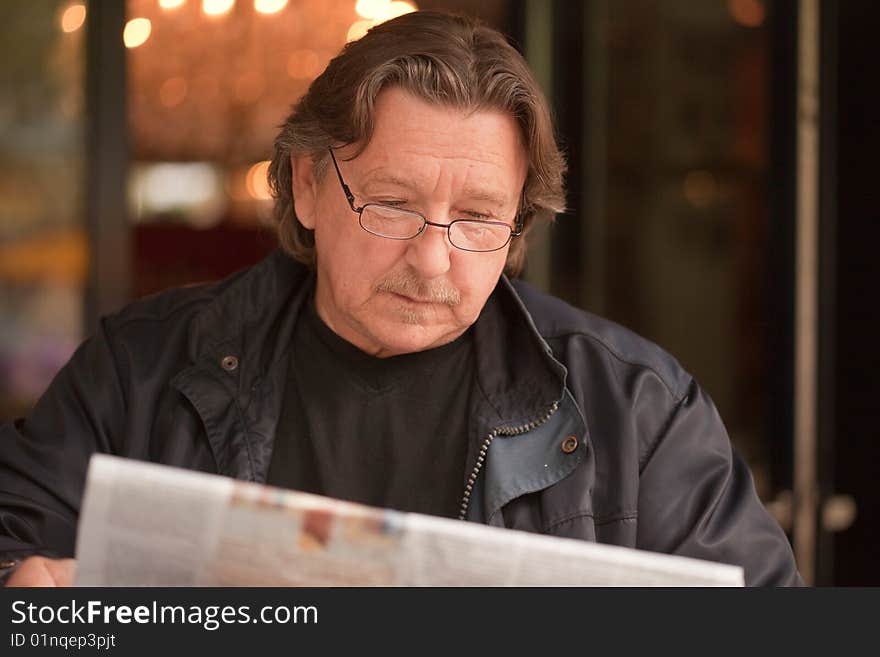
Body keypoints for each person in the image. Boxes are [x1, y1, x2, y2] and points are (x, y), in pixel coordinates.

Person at [0, 11, 801, 587]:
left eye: (479, 218)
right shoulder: (139, 369)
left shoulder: (636, 409)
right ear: (308, 184)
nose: (431, 259)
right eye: (391, 205)